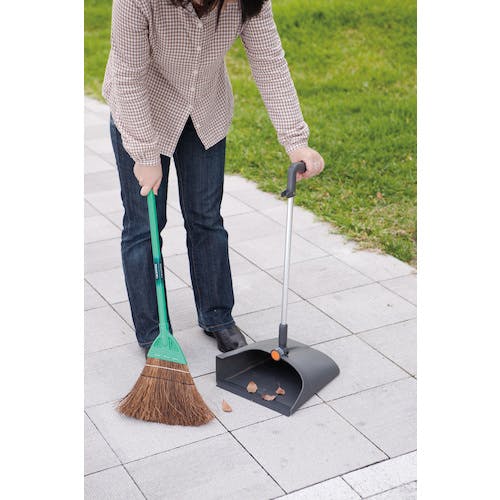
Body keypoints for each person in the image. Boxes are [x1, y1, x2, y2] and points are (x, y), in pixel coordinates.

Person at [103, 0, 325, 356]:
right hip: (142, 112)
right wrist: (145, 155)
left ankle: (217, 316)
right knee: (144, 227)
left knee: (206, 218)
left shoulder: (247, 1)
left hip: (205, 110)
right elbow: (127, 77)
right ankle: (154, 333)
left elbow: (269, 61)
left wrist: (296, 140)